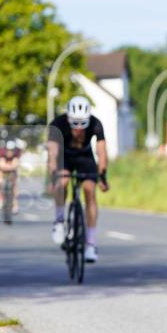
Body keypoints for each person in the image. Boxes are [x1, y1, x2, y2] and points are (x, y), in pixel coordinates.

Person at [47, 97, 109, 262]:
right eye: (75, 124)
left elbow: (102, 152)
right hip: (65, 157)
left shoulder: (96, 123)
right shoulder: (57, 124)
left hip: (85, 157)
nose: (79, 129)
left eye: (83, 124)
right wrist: (53, 177)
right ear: (68, 119)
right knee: (63, 182)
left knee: (90, 191)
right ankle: (59, 221)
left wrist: (103, 175)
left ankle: (91, 243)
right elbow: (52, 154)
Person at [0, 140, 22, 214]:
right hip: (2, 169)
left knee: (14, 184)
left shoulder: (17, 154)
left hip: (12, 170)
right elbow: (1, 164)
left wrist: (12, 166)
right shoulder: (2, 153)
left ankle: (15, 204)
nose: (10, 152)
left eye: (12, 150)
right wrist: (5, 166)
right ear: (6, 149)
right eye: (8, 150)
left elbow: (16, 163)